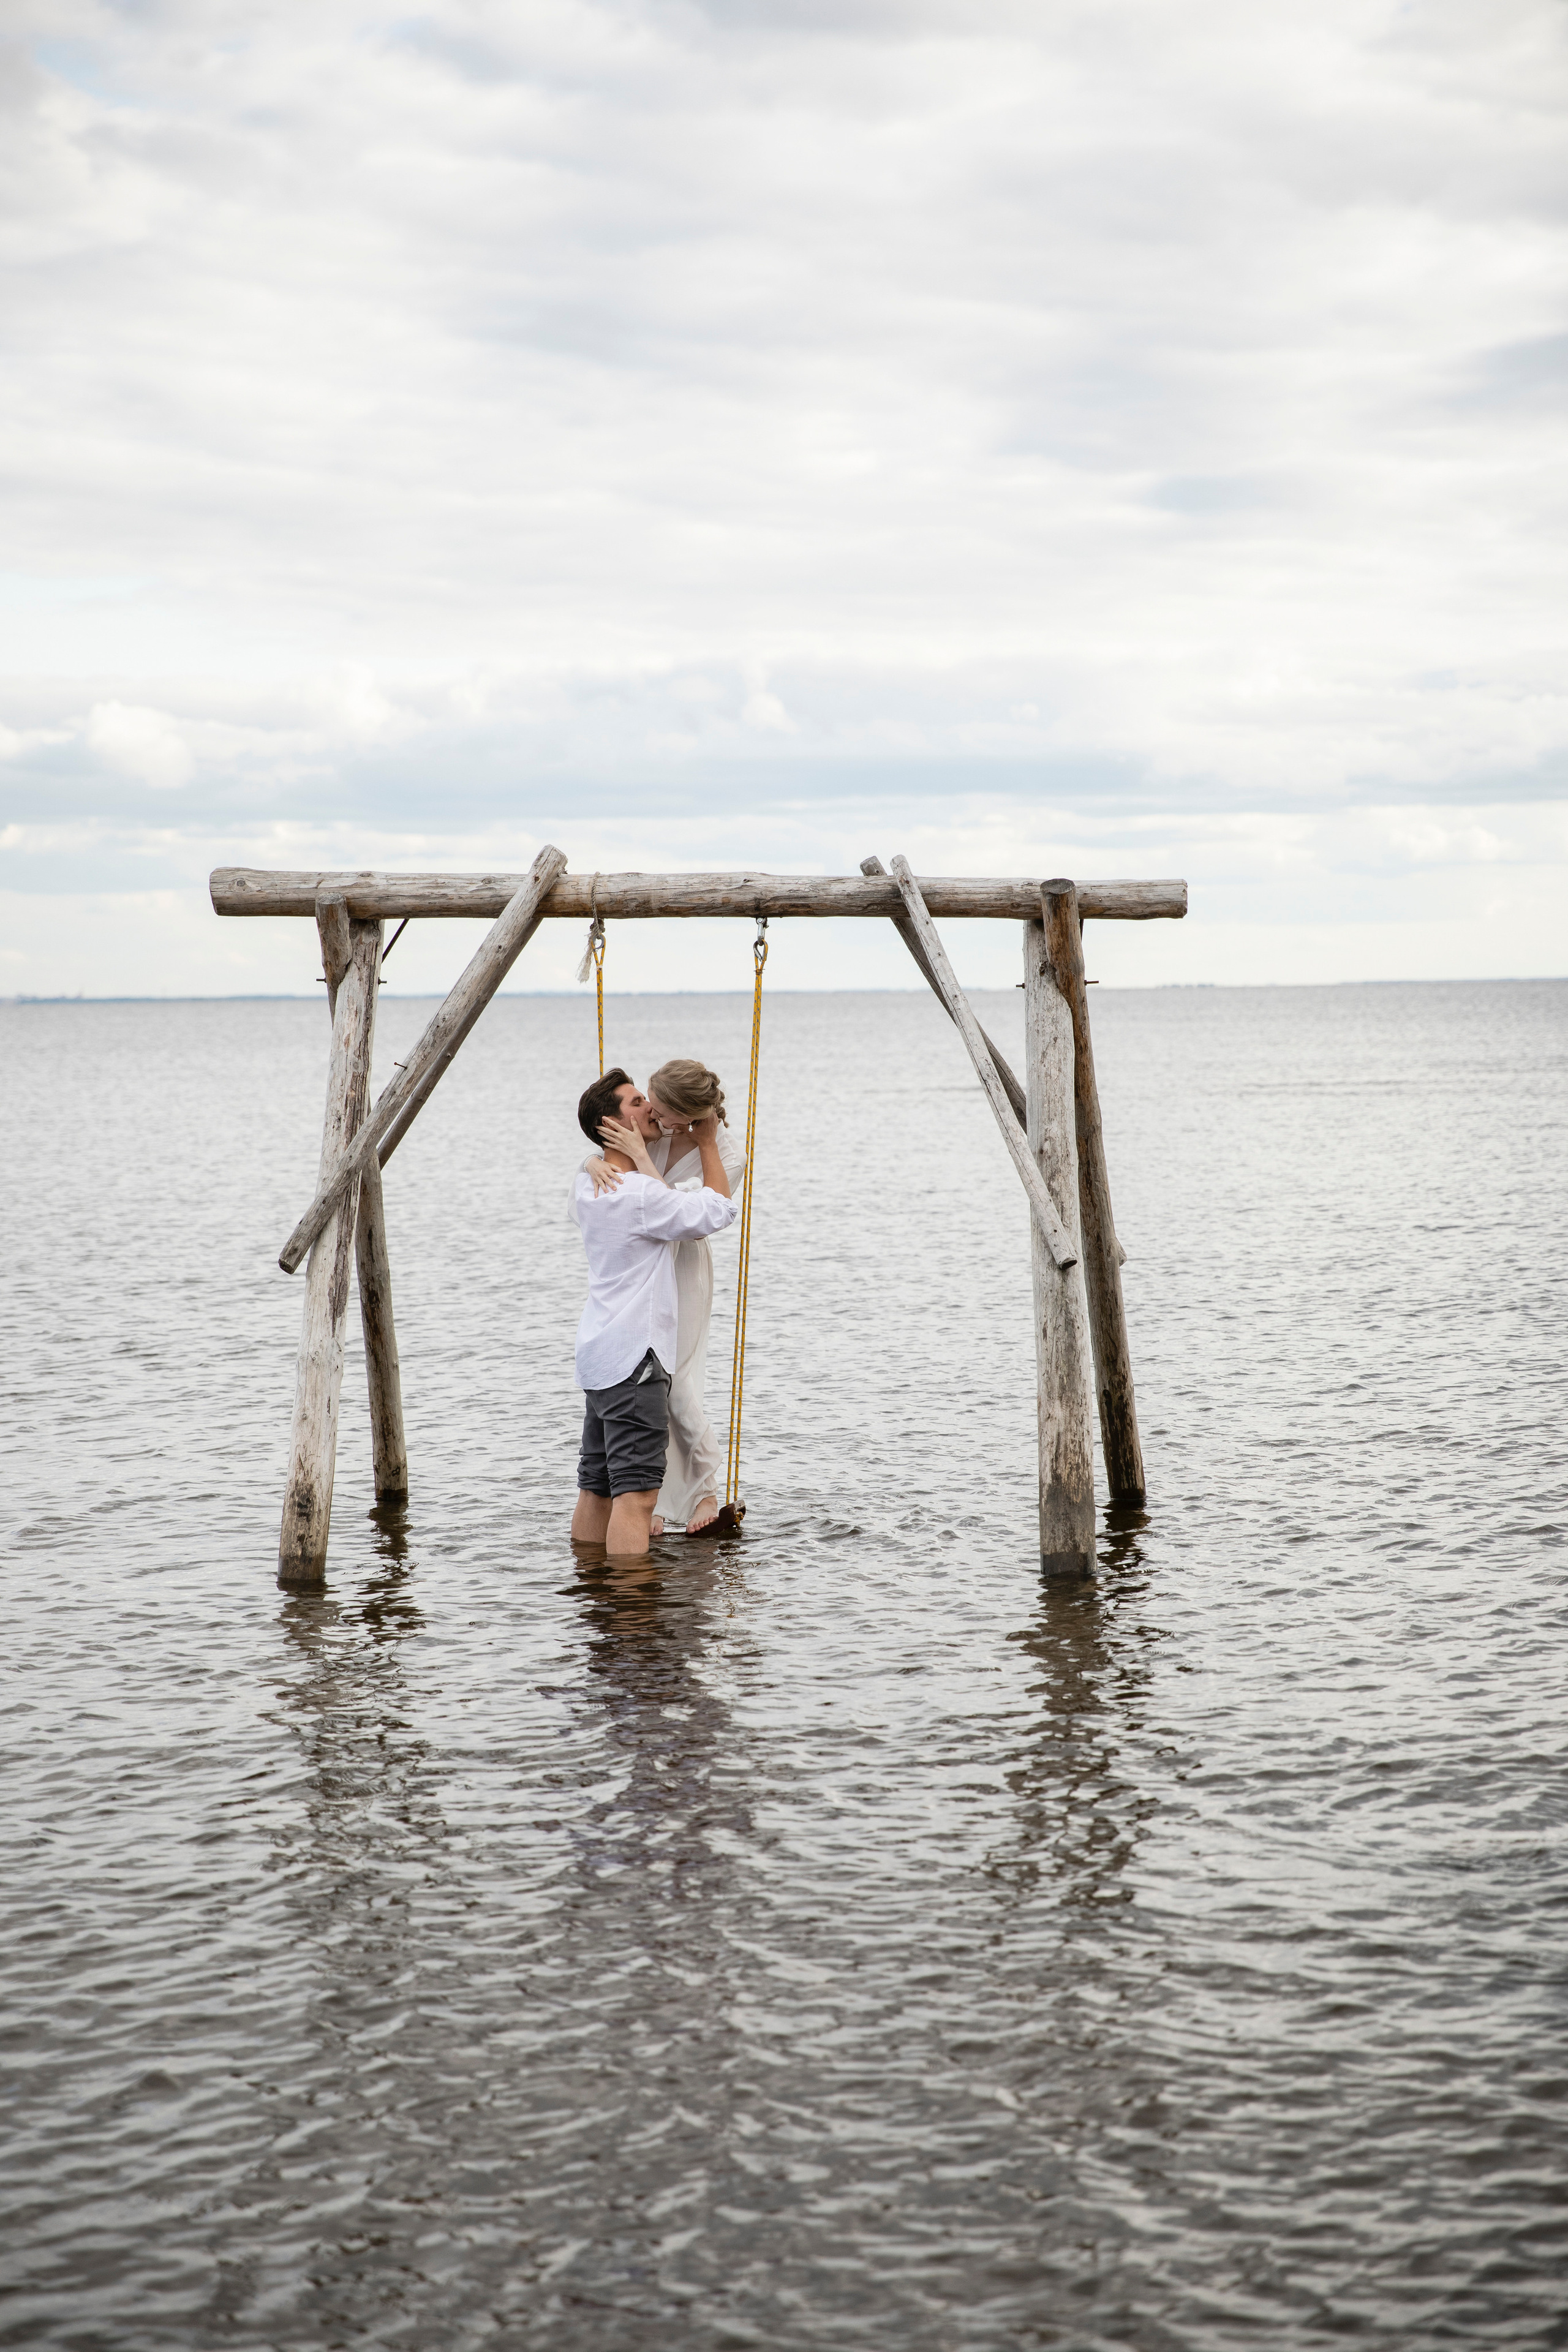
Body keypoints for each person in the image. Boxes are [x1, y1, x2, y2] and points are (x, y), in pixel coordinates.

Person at [568, 1068, 737, 1558]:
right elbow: (717, 1212)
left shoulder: (588, 1187)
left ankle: (592, 1588)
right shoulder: (640, 1196)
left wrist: (589, 1160)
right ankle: (631, 1611)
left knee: (596, 1487)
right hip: (635, 1361)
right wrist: (707, 1142)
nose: (648, 1107)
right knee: (637, 1499)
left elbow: (606, 1172)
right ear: (612, 1125)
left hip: (598, 1356)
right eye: (636, 1101)